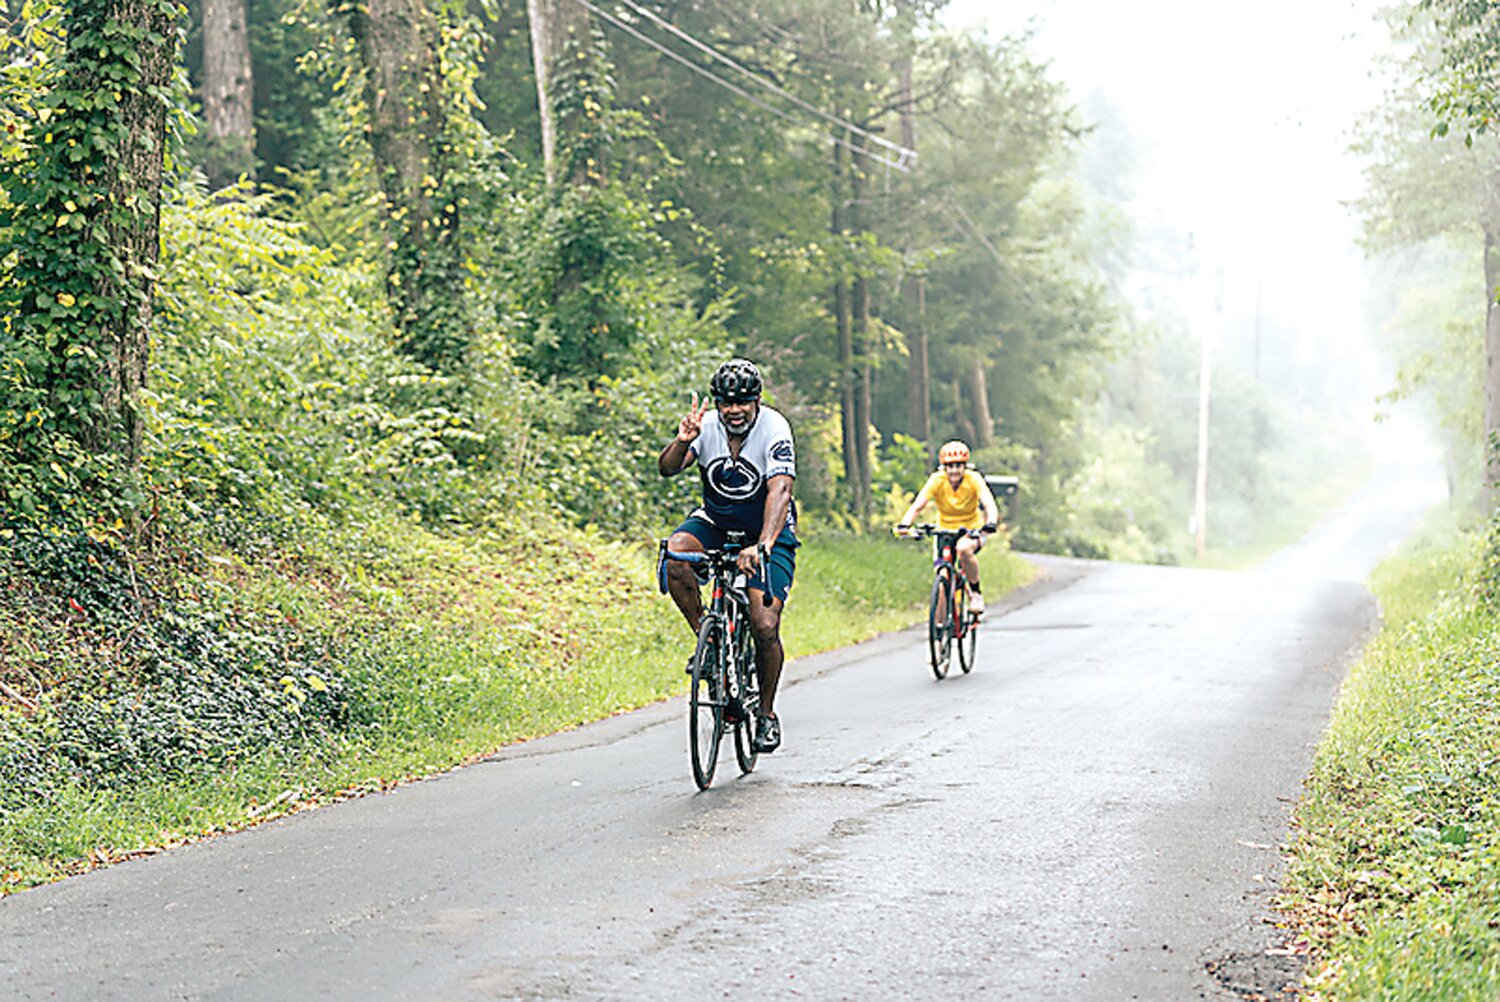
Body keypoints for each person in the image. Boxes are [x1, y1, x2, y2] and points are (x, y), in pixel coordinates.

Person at [659, 358, 798, 754]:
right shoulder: (706, 427)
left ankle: (767, 714)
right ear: (717, 404)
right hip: (717, 520)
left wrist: (764, 544)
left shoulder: (775, 429)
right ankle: (711, 638)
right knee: (674, 556)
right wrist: (684, 440)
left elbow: (781, 490)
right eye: (726, 403)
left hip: (767, 529)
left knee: (764, 623)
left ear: (756, 401)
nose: (734, 410)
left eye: (742, 402)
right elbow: (668, 469)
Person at [894, 440, 1001, 614]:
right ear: (944, 467)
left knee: (963, 549)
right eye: (950, 466)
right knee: (943, 575)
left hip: (971, 530)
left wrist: (991, 522)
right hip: (944, 530)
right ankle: (939, 631)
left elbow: (989, 504)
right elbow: (918, 505)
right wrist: (905, 524)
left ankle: (975, 593)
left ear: (964, 466)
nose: (954, 471)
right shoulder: (937, 480)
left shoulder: (973, 479)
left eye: (958, 466)